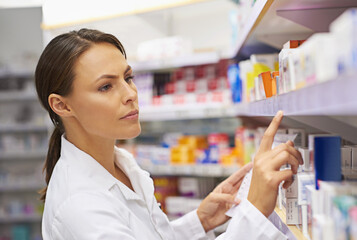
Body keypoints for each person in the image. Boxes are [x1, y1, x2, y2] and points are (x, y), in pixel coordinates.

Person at [35, 28, 303, 240]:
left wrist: (201, 221)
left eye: (128, 78)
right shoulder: (81, 206)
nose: (131, 95)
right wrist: (253, 211)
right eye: (106, 86)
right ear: (62, 105)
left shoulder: (119, 163)